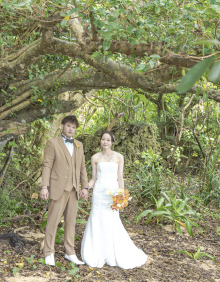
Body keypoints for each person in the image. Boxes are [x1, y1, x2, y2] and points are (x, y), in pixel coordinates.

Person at [80, 131, 147, 269]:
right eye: (103, 139)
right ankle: (96, 251)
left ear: (112, 142)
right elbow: (93, 178)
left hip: (112, 193)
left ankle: (112, 251)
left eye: (108, 140)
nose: (105, 142)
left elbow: (120, 177)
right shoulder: (95, 158)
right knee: (96, 219)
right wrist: (86, 189)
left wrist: (121, 195)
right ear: (100, 141)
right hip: (99, 193)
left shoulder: (119, 157)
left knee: (112, 220)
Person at [40, 115, 89, 266]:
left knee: (71, 222)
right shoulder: (53, 143)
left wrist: (85, 187)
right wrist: (44, 186)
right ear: (62, 126)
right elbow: (47, 165)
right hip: (57, 187)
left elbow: (82, 167)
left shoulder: (79, 145)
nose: (71, 129)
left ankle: (70, 252)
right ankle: (48, 252)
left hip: (74, 189)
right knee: (53, 220)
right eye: (68, 126)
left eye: (74, 127)